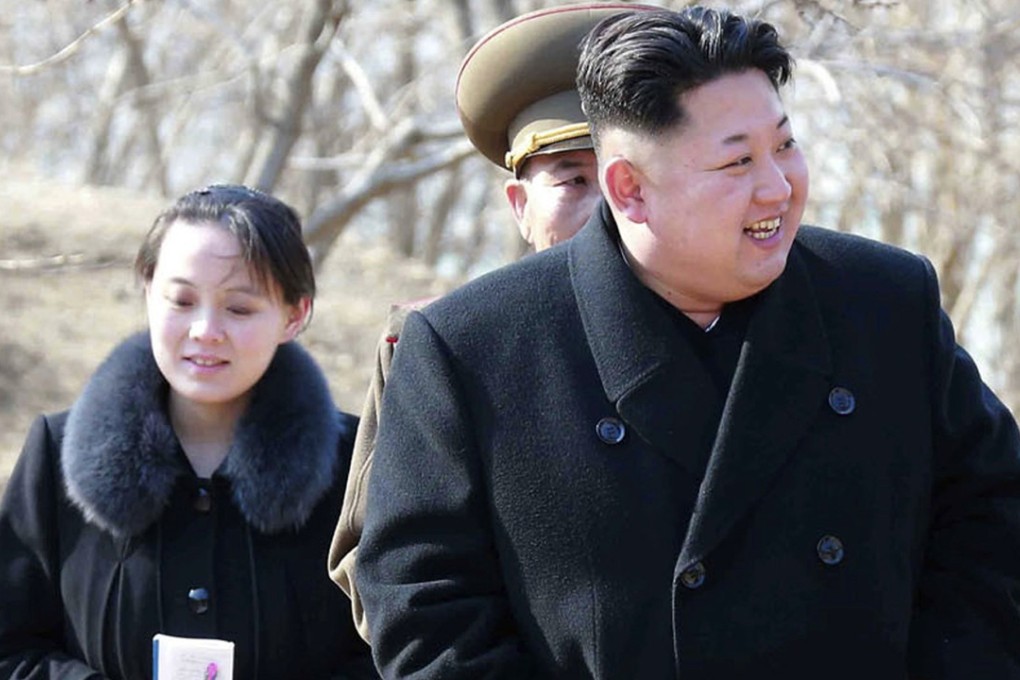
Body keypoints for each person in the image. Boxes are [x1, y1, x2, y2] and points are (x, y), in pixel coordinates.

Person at [355, 6, 1020, 678]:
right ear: (631, 189)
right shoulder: (472, 349)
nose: (779, 187)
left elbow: (993, 521)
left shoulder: (885, 302)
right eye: (737, 162)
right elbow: (425, 607)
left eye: (785, 145)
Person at [327, 2, 652, 642]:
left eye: (624, 180)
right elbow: (379, 567)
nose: (603, 211)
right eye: (573, 180)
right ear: (519, 207)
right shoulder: (441, 347)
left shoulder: (724, 325)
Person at [0, 185, 376, 679]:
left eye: (238, 308)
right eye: (181, 300)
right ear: (148, 294)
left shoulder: (358, 468)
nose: (205, 330)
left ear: (295, 314)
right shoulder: (55, 452)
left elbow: (392, 655)